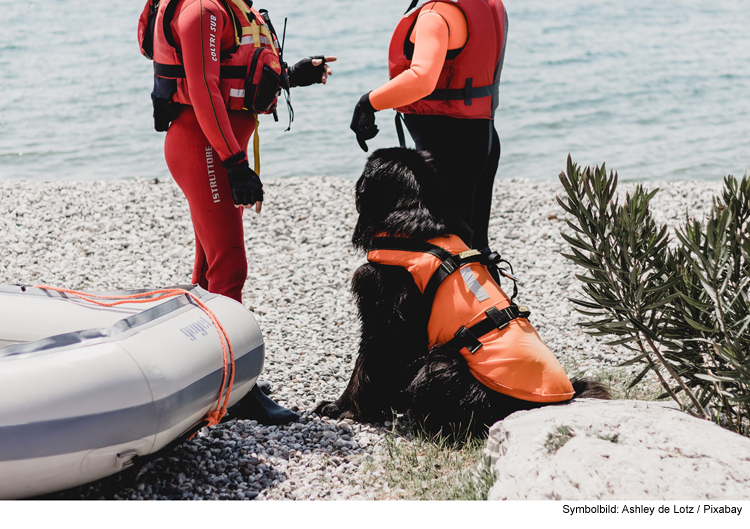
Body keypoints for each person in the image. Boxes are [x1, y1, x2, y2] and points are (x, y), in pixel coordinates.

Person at [138, 0, 336, 424]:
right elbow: (206, 91)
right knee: (230, 266)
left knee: (208, 271)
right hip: (203, 147)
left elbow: (239, 68)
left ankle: (199, 374)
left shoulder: (234, 9)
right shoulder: (203, 12)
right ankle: (235, 390)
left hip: (217, 147)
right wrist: (233, 163)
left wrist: (291, 75)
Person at [350, 0, 507, 251]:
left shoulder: (436, 15)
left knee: (447, 248)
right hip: (481, 136)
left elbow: (422, 79)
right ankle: (486, 288)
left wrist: (367, 104)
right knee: (474, 245)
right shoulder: (484, 4)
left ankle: (456, 290)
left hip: (447, 147)